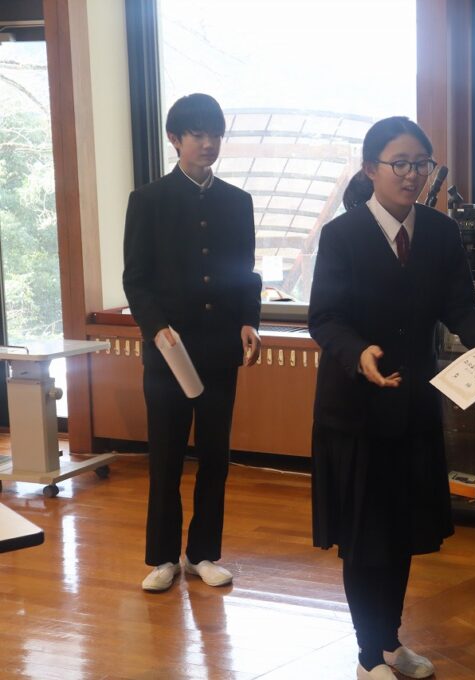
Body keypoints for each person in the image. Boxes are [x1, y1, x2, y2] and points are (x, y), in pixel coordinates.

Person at [308, 116, 475, 680]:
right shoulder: (342, 236)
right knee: (363, 537)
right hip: (355, 410)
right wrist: (358, 352)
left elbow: (460, 308)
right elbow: (324, 318)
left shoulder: (439, 232)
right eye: (400, 163)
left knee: (399, 532)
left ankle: (389, 643)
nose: (412, 174)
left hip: (413, 406)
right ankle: (368, 655)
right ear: (371, 169)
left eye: (421, 164)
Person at [122, 93, 262, 592]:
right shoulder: (148, 200)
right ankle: (163, 557)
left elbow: (245, 274)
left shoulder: (237, 202)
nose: (208, 143)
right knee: (165, 458)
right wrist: (155, 326)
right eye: (197, 134)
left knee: (215, 458)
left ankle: (202, 553)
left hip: (220, 349)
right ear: (174, 139)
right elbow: (135, 279)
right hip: (168, 354)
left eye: (215, 134)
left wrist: (249, 321)